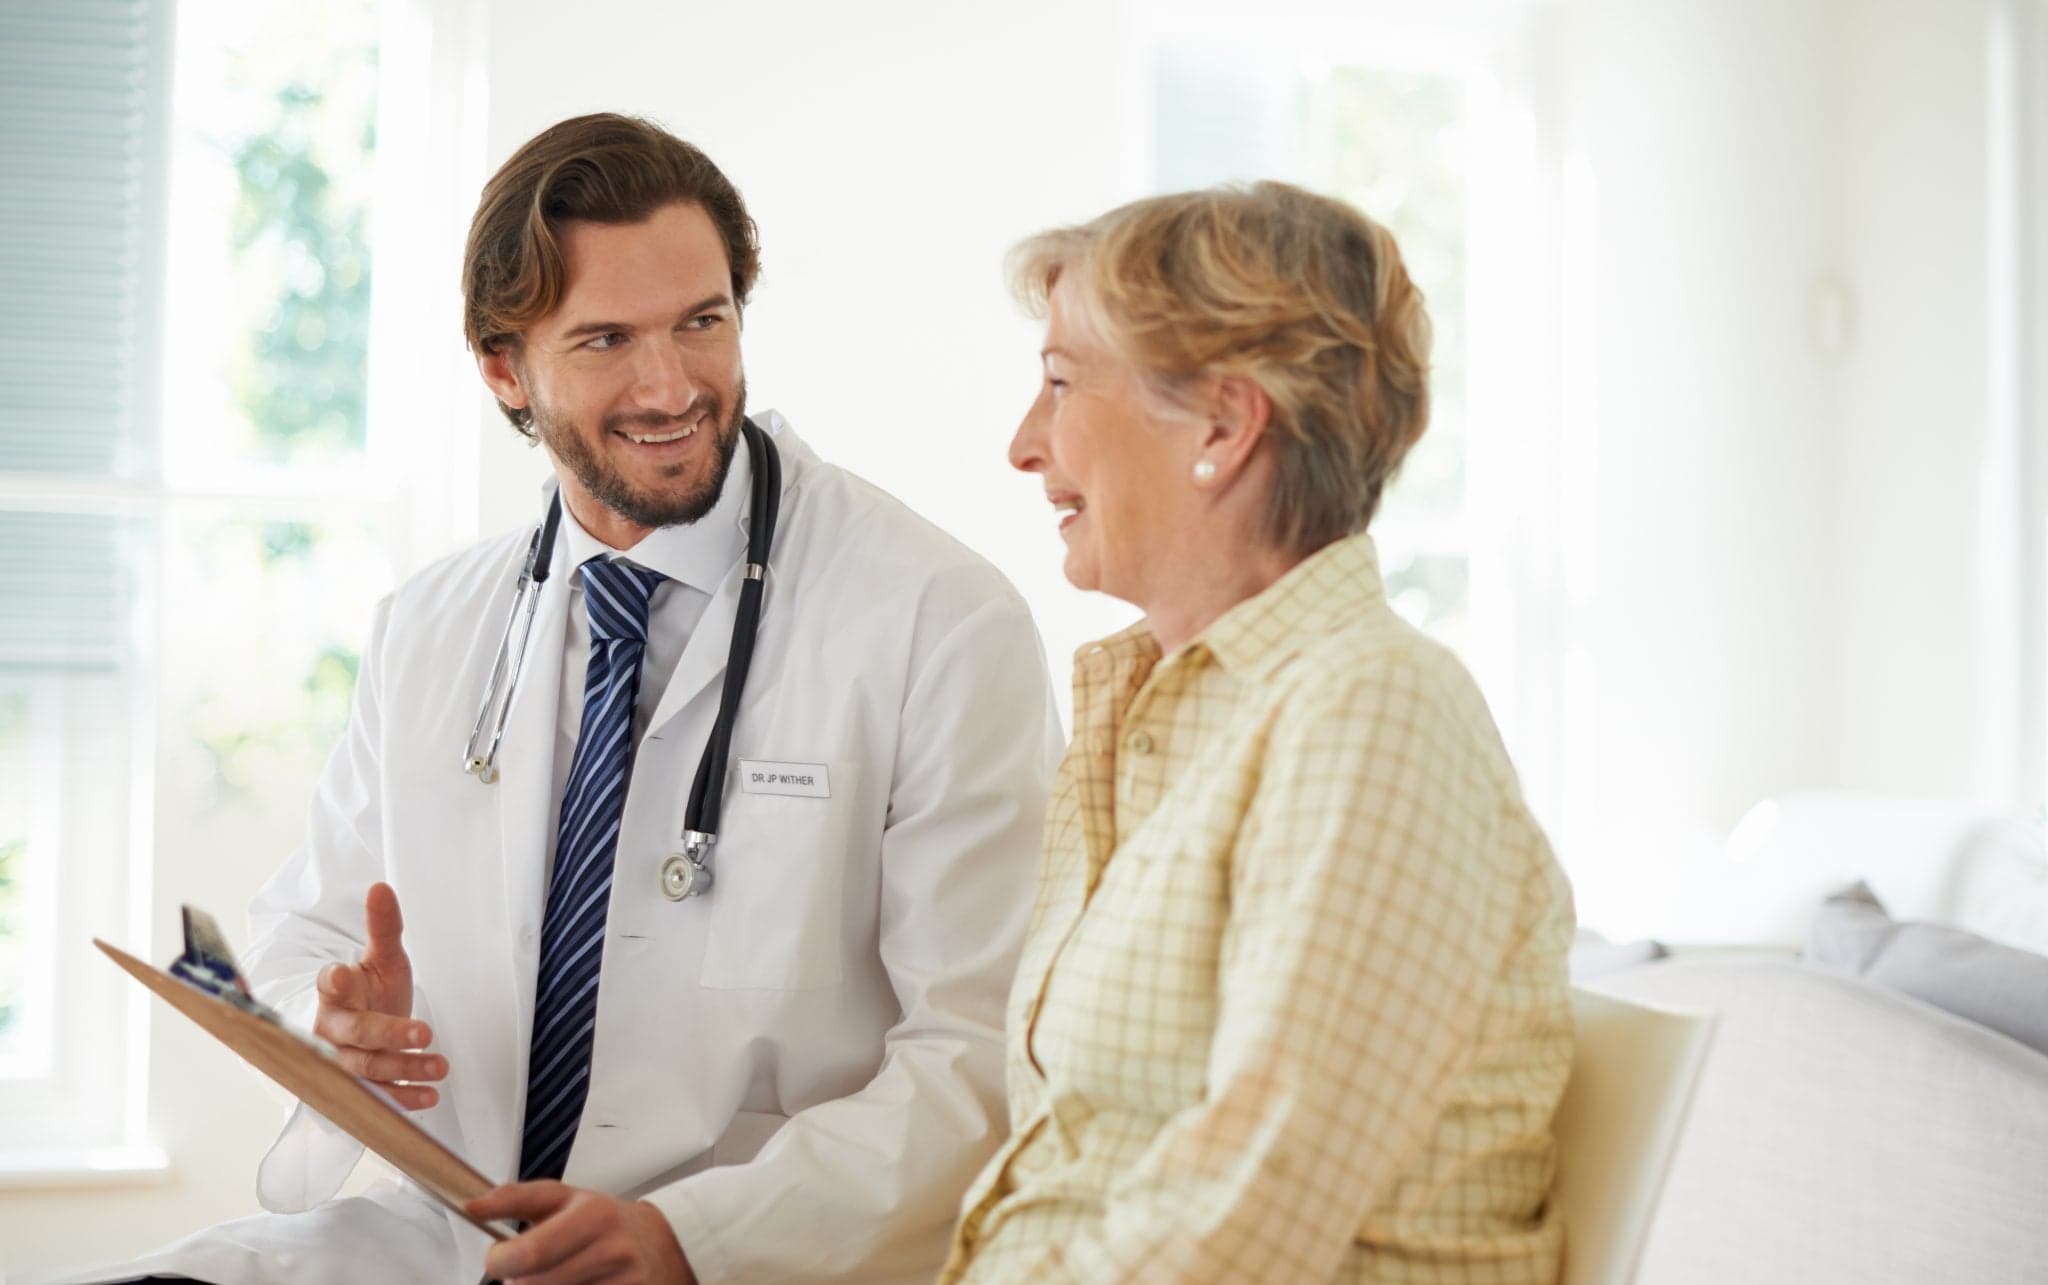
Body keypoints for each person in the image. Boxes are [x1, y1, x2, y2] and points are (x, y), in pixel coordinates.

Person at [64, 113, 1060, 1285]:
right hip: (462, 1237)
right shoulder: (433, 626)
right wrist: (337, 1026)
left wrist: (696, 1236)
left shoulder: (933, 616)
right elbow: (315, 932)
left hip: (757, 1256)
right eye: (604, 340)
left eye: (704, 321)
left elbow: (979, 1055)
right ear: (504, 367)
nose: (671, 385)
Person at [939, 183, 1576, 1282]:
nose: (1022, 444)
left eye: (1058, 384)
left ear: (1224, 427)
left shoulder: (1373, 711)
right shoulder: (1173, 714)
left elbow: (1244, 1224)